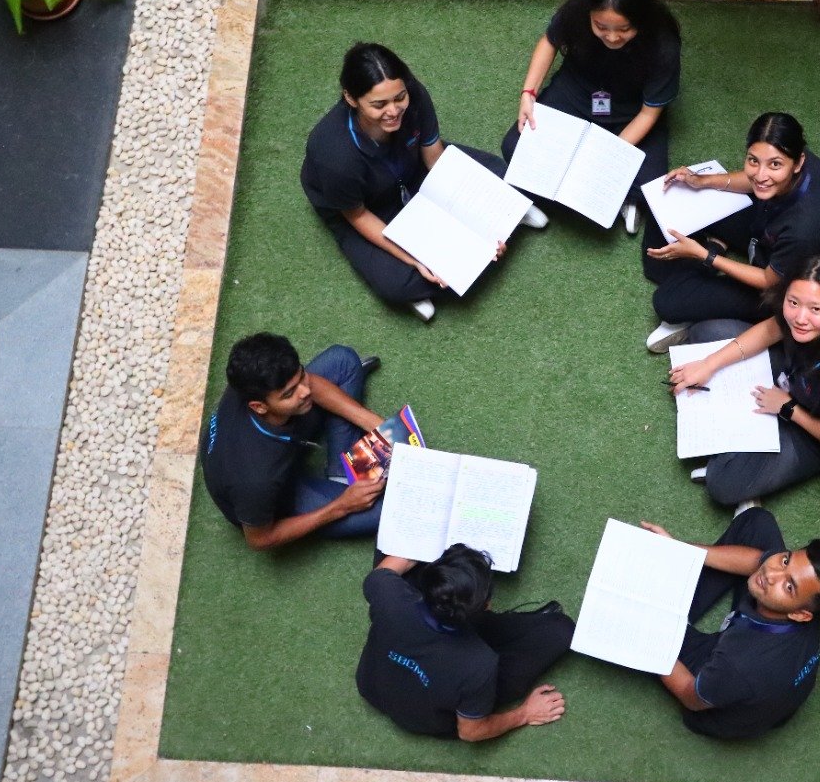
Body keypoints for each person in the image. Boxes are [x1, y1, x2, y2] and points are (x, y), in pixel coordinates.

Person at [302, 42, 546, 323]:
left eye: (399, 98)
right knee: (396, 283)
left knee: (505, 181)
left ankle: (504, 218)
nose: (393, 111)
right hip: (368, 209)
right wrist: (417, 258)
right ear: (351, 98)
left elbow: (436, 161)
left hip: (415, 171)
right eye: (379, 105)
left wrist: (479, 223)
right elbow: (358, 216)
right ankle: (421, 285)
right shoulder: (333, 154)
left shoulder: (413, 95)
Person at [668, 255, 820, 507]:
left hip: (813, 432)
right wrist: (709, 364)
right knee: (705, 333)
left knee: (722, 483)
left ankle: (749, 459)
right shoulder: (802, 321)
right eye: (793, 302)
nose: (800, 318)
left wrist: (789, 408)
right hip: (793, 374)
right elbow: (771, 330)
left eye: (816, 309)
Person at [640, 507, 820, 740]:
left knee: (641, 617)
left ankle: (663, 614)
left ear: (801, 615)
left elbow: (690, 696)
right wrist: (681, 551)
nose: (772, 574)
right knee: (758, 523)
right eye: (785, 560)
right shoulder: (806, 600)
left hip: (717, 701)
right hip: (759, 668)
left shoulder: (739, 665)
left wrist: (647, 635)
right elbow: (758, 561)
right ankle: (677, 605)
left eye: (789, 586)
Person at [643, 112, 820, 353]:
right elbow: (755, 182)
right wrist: (702, 181)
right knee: (672, 201)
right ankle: (700, 277)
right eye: (753, 160)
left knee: (667, 301)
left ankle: (702, 274)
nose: (761, 175)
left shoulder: (805, 228)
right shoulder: (792, 155)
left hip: (781, 282)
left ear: (798, 163)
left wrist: (705, 256)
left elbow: (768, 280)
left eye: (775, 165)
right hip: (767, 226)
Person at [503, 0, 681, 234]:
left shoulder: (663, 43)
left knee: (653, 185)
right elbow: (549, 42)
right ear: (590, 13)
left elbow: (648, 113)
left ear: (640, 20)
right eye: (601, 26)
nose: (612, 37)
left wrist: (606, 153)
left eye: (624, 29)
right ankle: (603, 190)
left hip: (630, 112)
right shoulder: (575, 11)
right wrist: (528, 94)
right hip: (577, 93)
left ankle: (623, 197)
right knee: (514, 145)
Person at [356, 544, 575, 740]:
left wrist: (420, 545)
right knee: (560, 630)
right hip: (429, 719)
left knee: (390, 546)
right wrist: (524, 713)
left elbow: (382, 572)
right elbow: (470, 732)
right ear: (485, 607)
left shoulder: (388, 594)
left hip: (372, 686)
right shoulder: (480, 664)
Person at [198, 332, 388, 550]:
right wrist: (341, 506)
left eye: (301, 376)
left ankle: (340, 475)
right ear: (259, 406)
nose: (307, 391)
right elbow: (259, 540)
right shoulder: (255, 481)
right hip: (278, 494)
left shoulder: (250, 375)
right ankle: (339, 492)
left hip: (280, 431)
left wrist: (378, 426)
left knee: (342, 361)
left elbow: (309, 387)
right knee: (385, 511)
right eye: (289, 393)